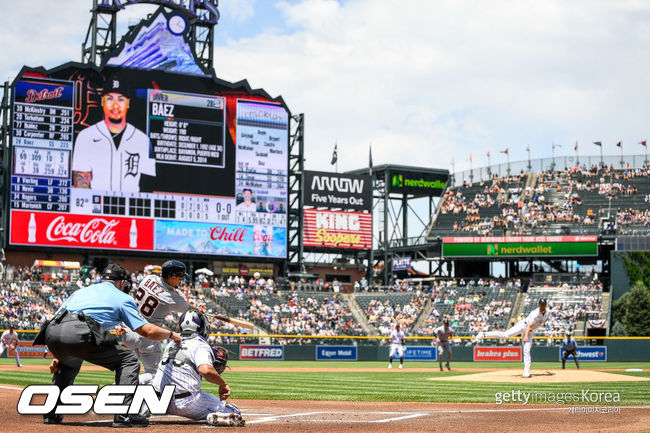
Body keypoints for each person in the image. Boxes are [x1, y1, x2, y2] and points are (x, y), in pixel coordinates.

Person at [37, 264, 182, 427]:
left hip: (52, 332)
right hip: (80, 331)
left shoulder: (81, 291)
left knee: (69, 364)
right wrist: (171, 334)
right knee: (128, 359)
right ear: (121, 283)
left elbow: (57, 319)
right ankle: (125, 413)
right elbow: (147, 331)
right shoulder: (123, 298)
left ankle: (51, 413)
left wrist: (58, 355)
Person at [152, 310, 245, 426]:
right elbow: (205, 370)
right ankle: (213, 416)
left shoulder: (171, 343)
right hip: (187, 403)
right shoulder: (200, 344)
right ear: (202, 327)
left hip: (161, 402)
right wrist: (223, 384)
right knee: (234, 411)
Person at [71, 75, 155, 192]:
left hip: (130, 207)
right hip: (97, 206)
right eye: (110, 99)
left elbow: (149, 187)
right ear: (102, 101)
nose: (115, 105)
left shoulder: (143, 140)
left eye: (121, 99)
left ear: (128, 103)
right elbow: (81, 187)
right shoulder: (85, 137)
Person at [122, 260, 192, 384]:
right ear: (172, 277)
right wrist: (199, 308)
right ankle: (122, 385)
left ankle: (122, 393)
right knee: (154, 374)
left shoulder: (148, 278)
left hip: (129, 330)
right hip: (148, 334)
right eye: (179, 278)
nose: (181, 280)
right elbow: (188, 308)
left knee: (129, 369)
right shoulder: (171, 298)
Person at [474, 298, 549, 378]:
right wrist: (526, 336)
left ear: (545, 305)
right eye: (541, 305)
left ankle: (527, 372)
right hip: (523, 326)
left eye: (543, 305)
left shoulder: (547, 312)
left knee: (527, 351)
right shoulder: (535, 313)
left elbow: (542, 320)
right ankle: (484, 334)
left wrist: (543, 325)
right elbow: (529, 326)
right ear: (539, 305)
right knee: (506, 335)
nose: (542, 306)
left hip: (530, 331)